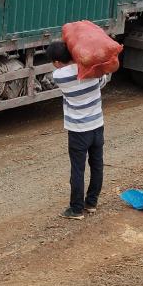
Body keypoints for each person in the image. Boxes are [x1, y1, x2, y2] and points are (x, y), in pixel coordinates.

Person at [47, 38, 107, 219]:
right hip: (97, 126)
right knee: (97, 165)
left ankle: (76, 209)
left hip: (78, 131)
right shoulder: (93, 71)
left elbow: (68, 71)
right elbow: (103, 81)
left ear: (57, 62)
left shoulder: (59, 76)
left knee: (78, 169)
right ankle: (92, 203)